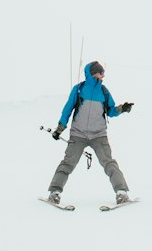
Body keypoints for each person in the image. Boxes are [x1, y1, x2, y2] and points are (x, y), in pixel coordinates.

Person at [46, 61, 134, 204]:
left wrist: (122, 108)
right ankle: (54, 192)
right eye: (101, 72)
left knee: (109, 163)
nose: (103, 75)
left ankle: (121, 192)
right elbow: (67, 109)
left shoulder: (104, 91)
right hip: (78, 134)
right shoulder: (79, 89)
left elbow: (111, 111)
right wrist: (60, 129)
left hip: (99, 135)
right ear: (93, 73)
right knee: (68, 163)